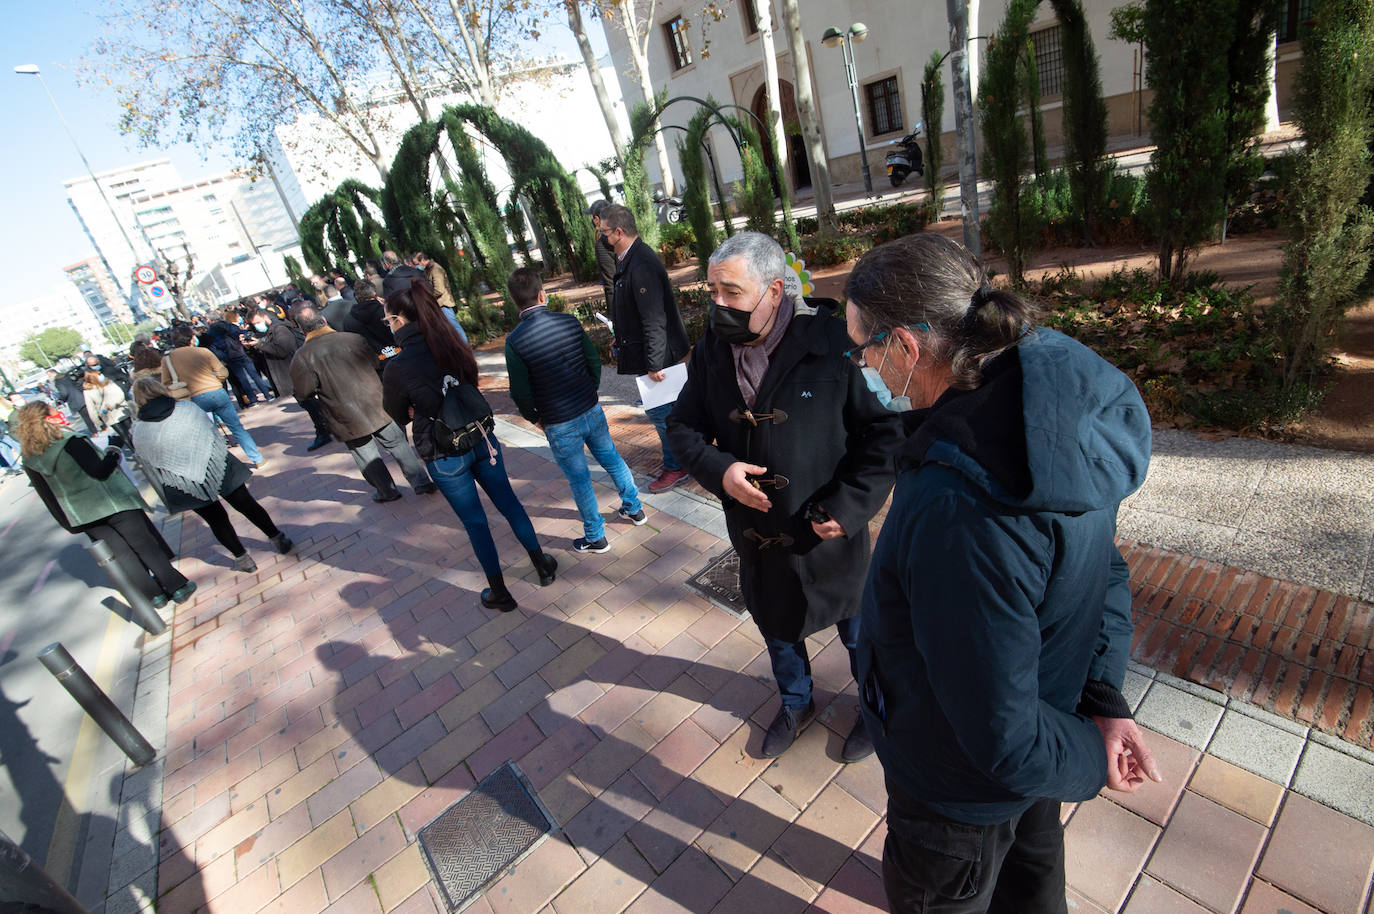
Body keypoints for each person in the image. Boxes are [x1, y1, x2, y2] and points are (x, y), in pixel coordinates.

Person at [843, 234, 1161, 913]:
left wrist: (1090, 754)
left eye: (861, 349)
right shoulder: (1046, 418)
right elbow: (1103, 572)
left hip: (956, 794)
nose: (860, 367)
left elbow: (1002, 736)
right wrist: (1100, 701)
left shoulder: (960, 507)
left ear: (903, 346)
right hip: (1033, 759)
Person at [666, 232, 904, 761]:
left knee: (860, 634)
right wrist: (719, 469)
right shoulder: (710, 352)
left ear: (775, 292)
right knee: (776, 626)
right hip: (757, 535)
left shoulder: (835, 344)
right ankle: (797, 702)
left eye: (732, 292)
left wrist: (847, 507)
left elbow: (886, 434)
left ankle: (877, 710)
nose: (717, 305)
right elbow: (681, 424)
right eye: (712, 291)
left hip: (828, 534)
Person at [382, 282, 557, 611]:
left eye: (388, 320)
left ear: (400, 321)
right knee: (509, 502)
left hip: (443, 451)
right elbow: (471, 383)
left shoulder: (397, 366)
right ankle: (542, 565)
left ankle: (500, 593)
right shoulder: (450, 343)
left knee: (475, 523)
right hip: (480, 436)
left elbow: (395, 414)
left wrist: (417, 406)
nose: (388, 327)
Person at [504, 267, 644, 554]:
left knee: (579, 480)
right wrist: (589, 392)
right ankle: (635, 508)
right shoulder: (568, 322)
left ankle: (596, 536)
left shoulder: (515, 342)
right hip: (589, 408)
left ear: (514, 301)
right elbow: (593, 362)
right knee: (612, 458)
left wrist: (535, 418)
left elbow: (520, 391)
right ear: (543, 294)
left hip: (557, 421)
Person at [13, 401, 195, 607]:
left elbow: (48, 496)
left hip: (83, 514)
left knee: (122, 555)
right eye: (55, 412)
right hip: (112, 501)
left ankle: (155, 596)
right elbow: (100, 470)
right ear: (47, 419)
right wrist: (114, 449)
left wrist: (69, 523)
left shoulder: (30, 460)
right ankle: (177, 588)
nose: (59, 414)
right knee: (144, 545)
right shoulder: (70, 441)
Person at [131, 378, 292, 574]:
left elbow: (149, 460)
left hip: (182, 479)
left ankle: (243, 560)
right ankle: (277, 537)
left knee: (216, 520)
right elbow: (211, 432)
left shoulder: (139, 429)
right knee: (246, 504)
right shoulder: (187, 408)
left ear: (137, 399)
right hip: (215, 462)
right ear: (161, 389)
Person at [289, 305, 435, 502]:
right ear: (323, 321)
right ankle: (421, 482)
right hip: (375, 402)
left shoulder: (302, 356)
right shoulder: (352, 338)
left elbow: (304, 391)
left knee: (365, 454)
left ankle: (387, 491)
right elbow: (375, 363)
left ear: (302, 329)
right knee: (398, 444)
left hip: (344, 414)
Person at [600, 204, 692, 493]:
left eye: (604, 232)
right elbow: (636, 312)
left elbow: (654, 318)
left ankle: (676, 467)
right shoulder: (631, 259)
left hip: (660, 357)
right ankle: (685, 459)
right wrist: (621, 335)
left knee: (663, 415)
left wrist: (654, 363)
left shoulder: (640, 264)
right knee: (669, 413)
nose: (601, 238)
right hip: (654, 352)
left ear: (619, 232)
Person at [161, 325, 268, 468]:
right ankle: (257, 458)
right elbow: (223, 372)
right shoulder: (204, 352)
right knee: (236, 428)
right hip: (216, 392)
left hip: (192, 399)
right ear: (192, 339)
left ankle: (224, 467)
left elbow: (166, 383)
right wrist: (215, 381)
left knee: (209, 435)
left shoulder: (168, 360)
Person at [82, 369, 133, 449]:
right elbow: (91, 409)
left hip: (120, 410)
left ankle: (138, 450)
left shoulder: (108, 382)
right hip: (109, 416)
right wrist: (98, 423)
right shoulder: (88, 392)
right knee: (124, 435)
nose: (101, 375)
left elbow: (120, 394)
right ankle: (135, 452)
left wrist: (112, 405)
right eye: (98, 374)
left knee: (130, 432)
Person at [587, 200, 617, 312]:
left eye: (592, 217)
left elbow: (611, 284)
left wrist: (613, 317)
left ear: (597, 219)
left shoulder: (603, 242)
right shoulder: (625, 231)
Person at [47, 367, 95, 434]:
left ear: (54, 373)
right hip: (83, 396)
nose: (49, 377)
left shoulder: (58, 382)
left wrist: (60, 399)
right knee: (93, 412)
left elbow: (64, 393)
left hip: (75, 401)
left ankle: (94, 432)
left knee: (86, 417)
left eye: (50, 376)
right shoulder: (67, 376)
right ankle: (103, 426)